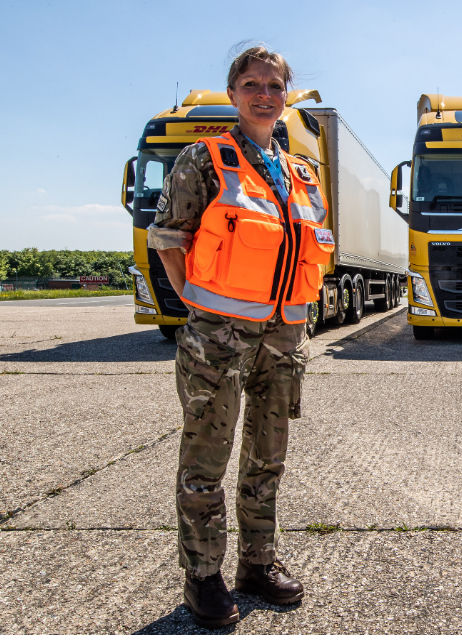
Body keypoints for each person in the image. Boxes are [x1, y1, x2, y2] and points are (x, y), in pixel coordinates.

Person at [147, 46, 332, 628]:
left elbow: (313, 250)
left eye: (274, 86)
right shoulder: (203, 159)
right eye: (250, 84)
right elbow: (170, 241)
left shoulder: (304, 173)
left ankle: (258, 564)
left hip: (284, 340)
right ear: (232, 94)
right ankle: (202, 576)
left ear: (285, 96)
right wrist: (199, 309)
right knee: (206, 459)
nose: (263, 94)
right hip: (218, 339)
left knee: (266, 458)